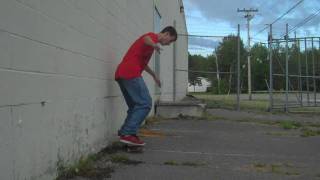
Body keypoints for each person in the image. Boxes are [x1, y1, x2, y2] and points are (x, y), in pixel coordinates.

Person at [115, 26, 177, 146]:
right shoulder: (152, 37)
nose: (169, 44)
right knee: (145, 103)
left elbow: (143, 64)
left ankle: (126, 133)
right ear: (167, 34)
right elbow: (145, 39)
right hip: (130, 73)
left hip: (121, 73)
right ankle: (128, 133)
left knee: (134, 106)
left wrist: (154, 75)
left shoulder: (150, 46)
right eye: (170, 41)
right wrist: (154, 45)